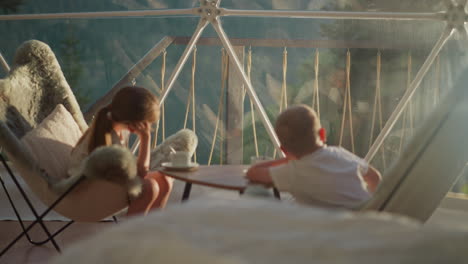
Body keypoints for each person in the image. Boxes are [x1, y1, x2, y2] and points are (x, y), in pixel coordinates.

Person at [246, 104, 381, 209]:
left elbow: (253, 173)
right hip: (364, 217)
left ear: (284, 150)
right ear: (322, 134)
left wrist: (287, 159)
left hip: (331, 232)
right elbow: (374, 177)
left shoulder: (294, 171)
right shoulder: (340, 153)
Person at [69, 86, 176, 216]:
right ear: (134, 124)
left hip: (103, 184)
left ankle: (149, 228)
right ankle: (131, 234)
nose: (147, 126)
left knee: (165, 179)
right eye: (146, 123)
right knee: (149, 187)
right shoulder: (108, 139)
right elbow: (141, 172)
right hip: (84, 193)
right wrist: (145, 137)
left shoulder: (116, 128)